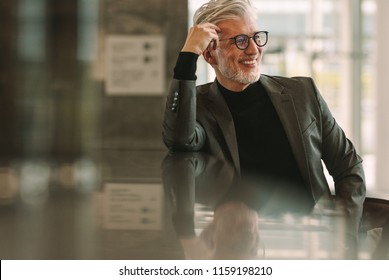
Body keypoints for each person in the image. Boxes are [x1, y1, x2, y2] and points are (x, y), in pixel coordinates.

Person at [162, 0, 366, 244]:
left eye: (256, 37)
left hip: (313, 240)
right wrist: (187, 57)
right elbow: (178, 139)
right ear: (209, 54)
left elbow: (349, 167)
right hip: (241, 244)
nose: (253, 50)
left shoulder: (302, 93)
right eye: (240, 40)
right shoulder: (200, 107)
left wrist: (344, 236)